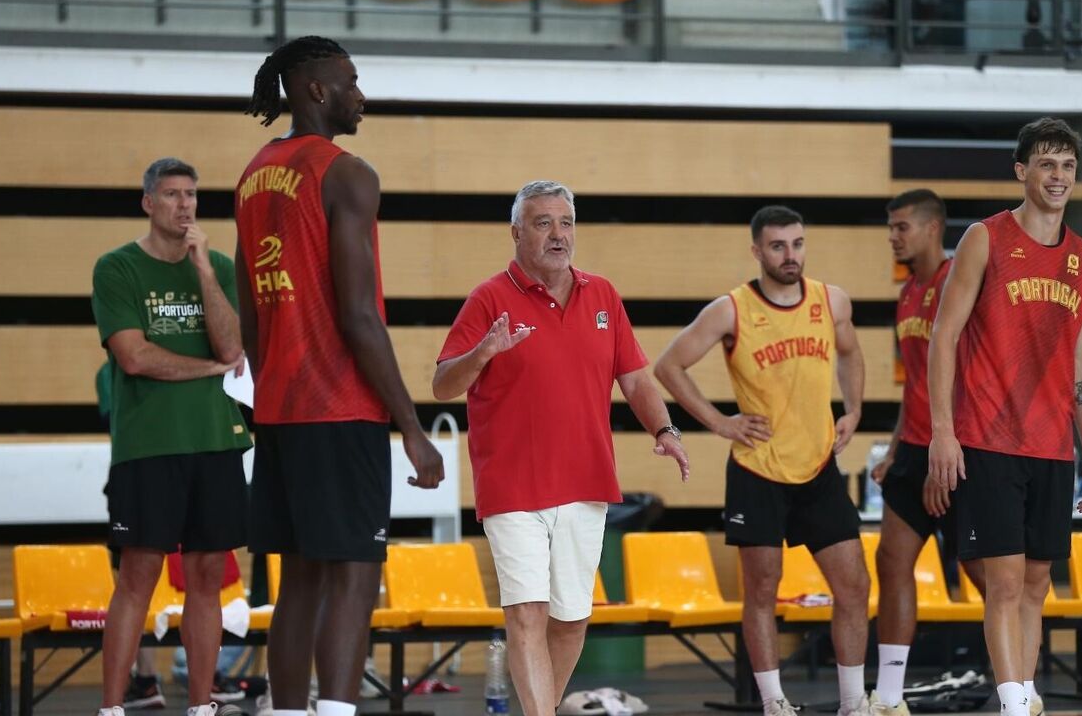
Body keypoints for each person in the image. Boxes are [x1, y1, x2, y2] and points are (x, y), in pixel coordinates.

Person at [237, 36, 445, 716]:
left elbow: (250, 314)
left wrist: (269, 392)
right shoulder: (347, 173)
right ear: (317, 90)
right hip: (339, 407)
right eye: (351, 82)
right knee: (355, 575)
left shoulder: (254, 173)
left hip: (279, 410)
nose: (361, 95)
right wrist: (411, 427)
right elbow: (359, 314)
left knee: (297, 580)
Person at [433, 180, 689, 716]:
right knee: (526, 612)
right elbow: (442, 385)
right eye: (543, 223)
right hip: (512, 485)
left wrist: (665, 431)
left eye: (566, 223)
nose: (558, 235)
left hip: (585, 480)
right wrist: (482, 353)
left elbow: (635, 378)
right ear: (516, 232)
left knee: (571, 619)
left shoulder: (603, 294)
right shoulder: (488, 298)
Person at [655, 205, 870, 716]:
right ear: (757, 251)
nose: (790, 255)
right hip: (758, 472)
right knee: (762, 592)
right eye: (777, 246)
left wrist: (854, 409)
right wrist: (719, 422)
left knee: (855, 585)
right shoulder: (731, 310)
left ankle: (853, 702)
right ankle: (774, 703)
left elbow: (850, 352)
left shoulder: (831, 300)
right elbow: (669, 365)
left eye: (797, 243)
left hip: (818, 468)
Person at [927, 117, 1082, 716]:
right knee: (1002, 584)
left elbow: (1081, 356)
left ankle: (1024, 698)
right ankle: (1013, 705)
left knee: (1036, 584)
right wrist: (943, 432)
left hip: (1052, 446)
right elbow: (943, 335)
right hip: (989, 438)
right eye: (1047, 164)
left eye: (1067, 166)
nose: (1058, 176)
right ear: (1021, 171)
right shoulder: (985, 238)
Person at [92, 157, 252, 716]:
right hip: (149, 446)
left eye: (191, 195)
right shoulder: (117, 268)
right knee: (138, 577)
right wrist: (207, 368)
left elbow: (232, 348)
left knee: (208, 577)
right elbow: (134, 357)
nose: (184, 205)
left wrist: (204, 269)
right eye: (171, 194)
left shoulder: (219, 266)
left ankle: (202, 704)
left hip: (216, 441)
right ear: (148, 202)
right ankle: (113, 707)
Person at [868, 189, 986, 713]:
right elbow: (915, 381)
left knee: (985, 576)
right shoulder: (907, 292)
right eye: (890, 228)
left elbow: (965, 378)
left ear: (933, 227)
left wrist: (944, 458)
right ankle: (890, 697)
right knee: (891, 561)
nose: (893, 237)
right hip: (914, 449)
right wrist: (894, 449)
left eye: (902, 227)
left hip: (957, 449)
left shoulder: (957, 281)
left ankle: (1021, 686)